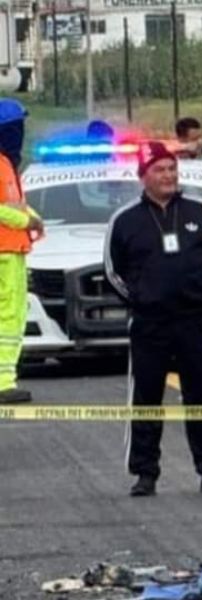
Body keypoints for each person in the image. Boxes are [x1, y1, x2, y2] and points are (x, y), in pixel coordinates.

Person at [104, 141, 202, 497]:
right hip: (150, 325)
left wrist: (196, 295)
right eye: (159, 170)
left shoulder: (199, 212)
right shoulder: (125, 221)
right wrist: (142, 300)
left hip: (195, 321)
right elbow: (112, 270)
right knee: (147, 397)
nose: (168, 176)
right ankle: (145, 472)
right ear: (143, 176)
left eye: (171, 169)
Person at [0, 100, 43, 405]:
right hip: (3, 250)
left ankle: (6, 378)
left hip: (12, 249)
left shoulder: (7, 164)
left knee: (12, 315)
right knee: (7, 316)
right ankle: (3, 382)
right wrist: (25, 220)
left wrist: (33, 217)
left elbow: (14, 203)